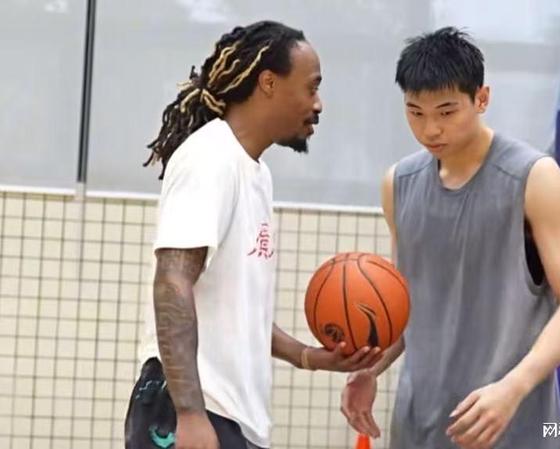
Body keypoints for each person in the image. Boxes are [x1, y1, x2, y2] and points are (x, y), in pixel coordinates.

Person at [124, 20, 381, 449]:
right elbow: (172, 282)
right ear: (268, 83)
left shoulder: (255, 173)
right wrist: (190, 413)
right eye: (311, 88)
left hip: (230, 418)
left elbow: (238, 309)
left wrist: (308, 356)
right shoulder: (210, 158)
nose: (318, 104)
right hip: (191, 409)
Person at [340, 27, 560, 449]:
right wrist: (369, 368)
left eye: (446, 112)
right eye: (415, 112)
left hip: (512, 428)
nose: (430, 129)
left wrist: (513, 387)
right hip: (418, 428)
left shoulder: (534, 177)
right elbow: (406, 307)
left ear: (482, 98)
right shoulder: (398, 184)